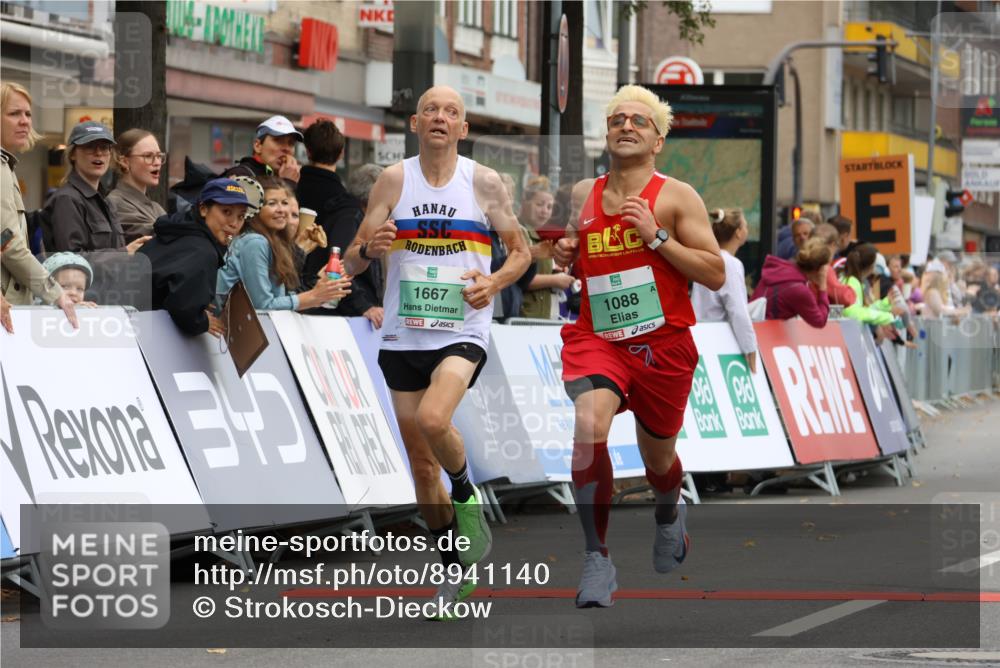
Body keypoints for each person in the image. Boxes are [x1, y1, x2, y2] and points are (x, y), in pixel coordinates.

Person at [342, 85, 530, 618]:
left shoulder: (484, 183)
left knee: (432, 417)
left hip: (461, 326)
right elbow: (354, 260)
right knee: (422, 469)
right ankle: (456, 571)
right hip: (404, 333)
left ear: (463, 128)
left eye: (451, 112)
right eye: (431, 110)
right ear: (416, 123)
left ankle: (467, 494)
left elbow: (521, 252)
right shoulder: (394, 179)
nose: (440, 118)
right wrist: (368, 249)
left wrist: (492, 284)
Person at [552, 85, 725, 608]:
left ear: (658, 139)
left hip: (662, 347)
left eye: (640, 121)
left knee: (658, 460)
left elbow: (716, 272)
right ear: (606, 133)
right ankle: (596, 558)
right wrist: (566, 254)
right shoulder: (584, 192)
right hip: (598, 339)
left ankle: (669, 509)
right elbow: (576, 257)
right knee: (589, 425)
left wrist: (656, 236)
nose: (627, 126)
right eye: (617, 119)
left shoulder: (676, 196)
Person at [0, 82, 77, 326]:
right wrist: (56, 294)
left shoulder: (6, 167)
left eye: (28, 114)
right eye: (14, 113)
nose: (25, 121)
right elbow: (7, 243)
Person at [215, 176, 350, 311]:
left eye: (284, 203)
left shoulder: (274, 242)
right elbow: (263, 305)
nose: (281, 210)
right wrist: (313, 295)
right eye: (272, 203)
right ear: (257, 209)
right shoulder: (254, 242)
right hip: (227, 329)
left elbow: (280, 296)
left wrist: (317, 286)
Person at [296, 121, 382, 326]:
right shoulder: (348, 210)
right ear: (342, 153)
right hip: (334, 313)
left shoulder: (290, 192)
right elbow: (340, 264)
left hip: (295, 300)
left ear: (307, 152)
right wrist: (363, 306)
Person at [139, 178, 250, 336]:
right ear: (203, 209)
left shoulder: (182, 231)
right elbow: (184, 309)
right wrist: (202, 321)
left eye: (241, 216)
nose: (234, 223)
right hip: (133, 330)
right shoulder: (203, 250)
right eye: (226, 212)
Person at [41, 122, 146, 255]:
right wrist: (123, 254)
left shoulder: (106, 201)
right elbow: (72, 259)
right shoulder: (67, 199)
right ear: (72, 154)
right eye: (89, 147)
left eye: (104, 147)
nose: (98, 153)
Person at [691, 208, 758, 373]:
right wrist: (750, 346)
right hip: (719, 338)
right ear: (738, 233)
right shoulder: (732, 264)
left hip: (699, 334)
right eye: (746, 226)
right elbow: (737, 310)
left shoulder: (707, 258)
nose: (747, 230)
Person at [519, 176, 575, 319]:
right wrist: (554, 280)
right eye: (539, 204)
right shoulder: (518, 232)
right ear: (525, 202)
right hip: (523, 318)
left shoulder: (538, 234)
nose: (544, 211)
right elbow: (518, 277)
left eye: (549, 207)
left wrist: (555, 273)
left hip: (538, 317)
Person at [751, 237, 831, 327]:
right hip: (768, 335)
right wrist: (823, 286)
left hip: (756, 330)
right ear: (820, 269)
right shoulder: (799, 290)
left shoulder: (778, 271)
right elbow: (819, 321)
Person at [107, 129, 167, 243]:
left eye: (159, 156)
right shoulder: (114, 203)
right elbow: (161, 235)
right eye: (148, 156)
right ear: (125, 161)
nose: (157, 162)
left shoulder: (156, 207)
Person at [223, 115, 302, 184]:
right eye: (278, 140)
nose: (286, 148)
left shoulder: (293, 177)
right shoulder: (241, 176)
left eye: (291, 143)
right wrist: (288, 183)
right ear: (258, 146)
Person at [839, 242, 896, 328]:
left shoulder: (854, 281)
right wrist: (889, 317)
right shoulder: (852, 282)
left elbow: (861, 311)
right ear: (871, 266)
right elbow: (854, 313)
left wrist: (884, 304)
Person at [809, 222, 855, 306]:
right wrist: (851, 292)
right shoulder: (823, 268)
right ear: (833, 245)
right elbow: (844, 297)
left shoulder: (801, 263)